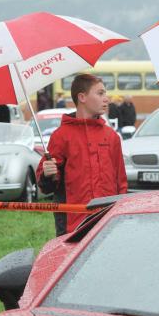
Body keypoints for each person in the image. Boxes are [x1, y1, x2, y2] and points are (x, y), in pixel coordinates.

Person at [36, 74, 127, 235]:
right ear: (82, 97)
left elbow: (121, 183)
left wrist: (122, 214)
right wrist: (47, 174)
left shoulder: (111, 136)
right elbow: (47, 186)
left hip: (108, 221)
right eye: (100, 93)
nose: (106, 99)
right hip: (72, 224)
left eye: (105, 93)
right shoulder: (61, 136)